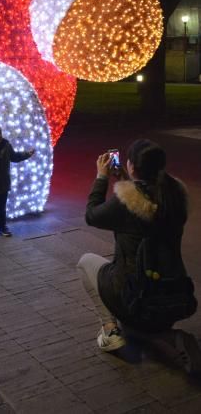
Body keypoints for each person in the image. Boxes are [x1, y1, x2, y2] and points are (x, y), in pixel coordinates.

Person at [77, 139, 201, 374]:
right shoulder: (175, 196)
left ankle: (110, 330)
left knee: (85, 262)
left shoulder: (125, 204)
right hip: (173, 296)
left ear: (132, 165)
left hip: (136, 296)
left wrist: (102, 177)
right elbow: (146, 203)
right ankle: (173, 337)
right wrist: (128, 181)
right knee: (142, 325)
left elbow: (92, 215)